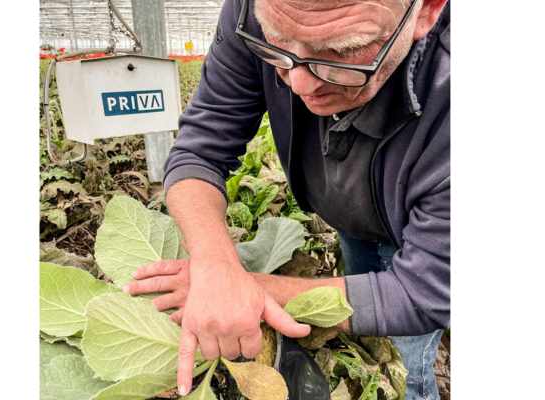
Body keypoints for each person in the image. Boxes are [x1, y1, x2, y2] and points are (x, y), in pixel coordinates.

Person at [122, 0, 450, 398]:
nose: (299, 85)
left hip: (430, 238)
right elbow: (199, 150)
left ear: (427, 10)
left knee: (405, 366)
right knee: (366, 322)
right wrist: (215, 267)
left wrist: (249, 290)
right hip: (354, 217)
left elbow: (426, 293)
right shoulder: (254, 10)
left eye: (341, 51)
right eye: (277, 41)